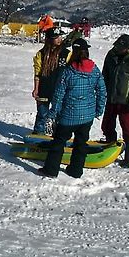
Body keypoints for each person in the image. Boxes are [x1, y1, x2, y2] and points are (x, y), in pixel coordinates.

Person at [38, 38, 106, 178]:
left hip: (68, 116)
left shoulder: (68, 72)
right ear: (86, 51)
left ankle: (51, 170)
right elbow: (102, 91)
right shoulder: (94, 70)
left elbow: (58, 95)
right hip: (87, 116)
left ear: (73, 52)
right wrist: (99, 110)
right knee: (81, 144)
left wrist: (53, 114)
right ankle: (76, 170)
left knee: (59, 142)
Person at [101, 34, 129, 169]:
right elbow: (105, 75)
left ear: (128, 48)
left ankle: (128, 158)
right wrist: (103, 92)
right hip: (111, 97)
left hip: (126, 101)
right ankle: (111, 149)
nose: (116, 49)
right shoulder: (111, 55)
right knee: (107, 125)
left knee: (128, 129)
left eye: (120, 47)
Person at [32, 27, 70, 135]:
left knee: (59, 114)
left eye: (60, 37)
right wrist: (36, 88)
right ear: (49, 39)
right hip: (44, 88)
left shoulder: (66, 53)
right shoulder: (41, 54)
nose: (59, 39)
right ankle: (38, 135)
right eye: (56, 37)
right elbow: (37, 72)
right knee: (42, 114)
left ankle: (58, 135)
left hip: (60, 90)